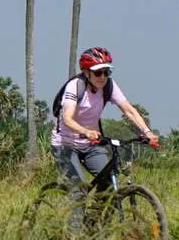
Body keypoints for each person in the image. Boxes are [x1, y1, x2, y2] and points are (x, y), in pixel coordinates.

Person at [51, 46, 159, 202]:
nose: (102, 77)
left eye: (106, 72)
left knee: (110, 183)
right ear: (87, 72)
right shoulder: (75, 86)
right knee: (78, 193)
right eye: (97, 72)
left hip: (91, 143)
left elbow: (128, 110)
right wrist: (86, 131)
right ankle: (74, 227)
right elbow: (67, 119)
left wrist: (147, 132)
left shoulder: (109, 86)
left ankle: (96, 223)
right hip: (64, 144)